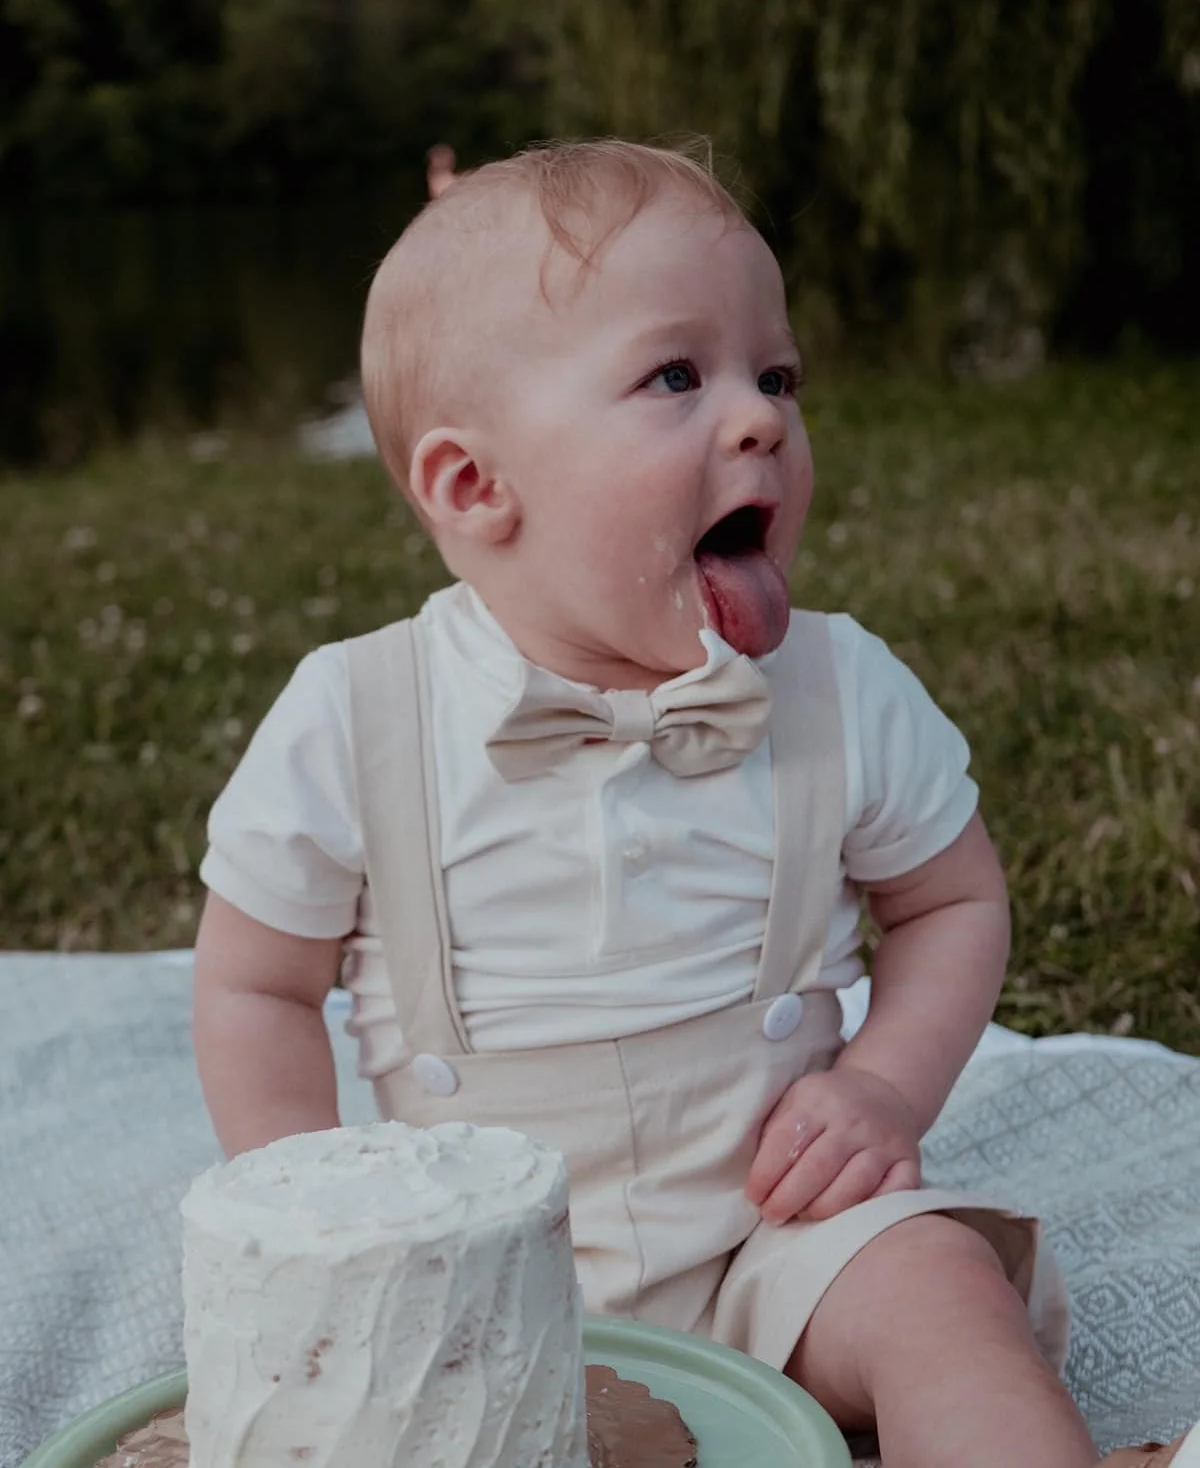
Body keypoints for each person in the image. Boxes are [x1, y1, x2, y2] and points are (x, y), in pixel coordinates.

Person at [191, 138, 1184, 1467]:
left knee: (943, 1290)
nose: (761, 418)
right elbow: (255, 984)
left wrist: (884, 1089)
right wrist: (323, 1225)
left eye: (775, 376)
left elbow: (952, 901)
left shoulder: (839, 690)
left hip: (784, 1245)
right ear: (476, 487)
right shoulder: (355, 718)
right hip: (484, 1287)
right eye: (676, 376)